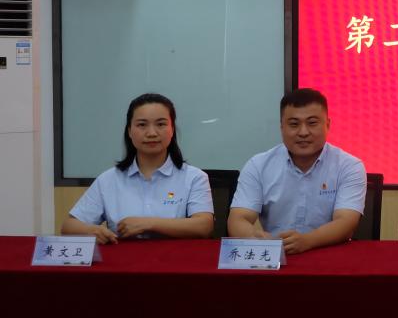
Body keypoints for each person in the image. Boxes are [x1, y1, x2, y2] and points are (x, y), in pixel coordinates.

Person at [227, 88, 366, 254]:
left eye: (312, 123)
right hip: (277, 256)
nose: (303, 132)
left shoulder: (349, 166)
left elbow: (346, 222)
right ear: (281, 127)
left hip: (329, 255)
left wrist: (307, 241)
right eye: (294, 124)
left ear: (328, 125)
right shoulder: (258, 165)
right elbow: (238, 219)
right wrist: (258, 239)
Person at [61, 93, 214, 242]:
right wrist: (91, 230)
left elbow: (204, 226)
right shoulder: (109, 179)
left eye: (161, 124)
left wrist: (149, 223)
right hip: (121, 258)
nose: (152, 133)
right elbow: (69, 226)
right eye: (142, 125)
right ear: (129, 131)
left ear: (172, 129)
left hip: (176, 258)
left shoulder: (194, 177)